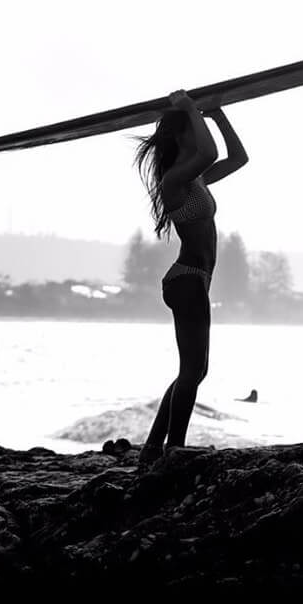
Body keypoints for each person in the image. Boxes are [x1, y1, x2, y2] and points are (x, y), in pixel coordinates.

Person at [133, 90, 248, 466]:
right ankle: (173, 447)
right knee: (193, 370)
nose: (197, 138)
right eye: (192, 131)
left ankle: (154, 446)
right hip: (187, 280)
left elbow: (238, 158)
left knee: (194, 371)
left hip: (195, 279)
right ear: (182, 136)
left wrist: (217, 116)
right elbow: (209, 152)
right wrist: (189, 109)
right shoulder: (174, 181)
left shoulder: (195, 177)